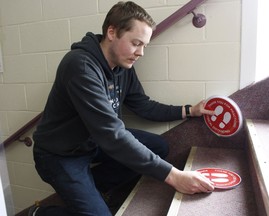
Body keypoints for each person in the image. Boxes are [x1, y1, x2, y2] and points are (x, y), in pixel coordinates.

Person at [29, 1, 215, 216]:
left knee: (159, 146)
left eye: (144, 45)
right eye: (136, 43)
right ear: (111, 32)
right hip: (60, 154)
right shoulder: (80, 66)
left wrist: (190, 110)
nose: (141, 53)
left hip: (93, 141)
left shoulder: (122, 66)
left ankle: (91, 191)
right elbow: (112, 135)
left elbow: (143, 106)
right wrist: (173, 176)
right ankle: (41, 213)